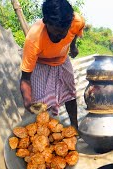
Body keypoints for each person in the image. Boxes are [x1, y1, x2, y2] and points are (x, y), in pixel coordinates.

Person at [19, 0, 85, 130]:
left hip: (62, 59)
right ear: (45, 22)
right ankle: (45, 136)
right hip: (41, 63)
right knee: (42, 103)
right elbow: (25, 78)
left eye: (64, 31)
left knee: (70, 93)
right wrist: (28, 102)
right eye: (56, 31)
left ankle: (74, 128)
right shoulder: (34, 39)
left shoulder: (76, 21)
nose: (60, 36)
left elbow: (75, 33)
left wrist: (73, 47)